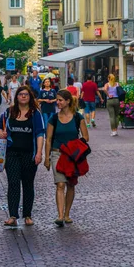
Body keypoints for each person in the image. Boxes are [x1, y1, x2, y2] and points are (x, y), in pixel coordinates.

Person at [0, 85, 44, 227]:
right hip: (11, 154)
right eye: (20, 94)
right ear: (16, 97)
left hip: (29, 154)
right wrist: (0, 133)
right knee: (13, 183)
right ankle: (13, 216)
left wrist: (39, 153)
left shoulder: (35, 114)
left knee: (28, 184)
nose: (23, 96)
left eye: (26, 95)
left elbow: (40, 134)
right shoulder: (9, 112)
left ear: (30, 97)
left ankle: (27, 215)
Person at [44, 89, 89, 227]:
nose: (57, 102)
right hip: (57, 154)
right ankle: (60, 215)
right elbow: (48, 139)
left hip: (72, 156)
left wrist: (74, 146)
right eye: (57, 100)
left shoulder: (78, 118)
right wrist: (47, 157)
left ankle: (67, 214)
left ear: (68, 101)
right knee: (60, 184)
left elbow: (86, 137)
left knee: (70, 184)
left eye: (60, 100)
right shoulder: (54, 118)